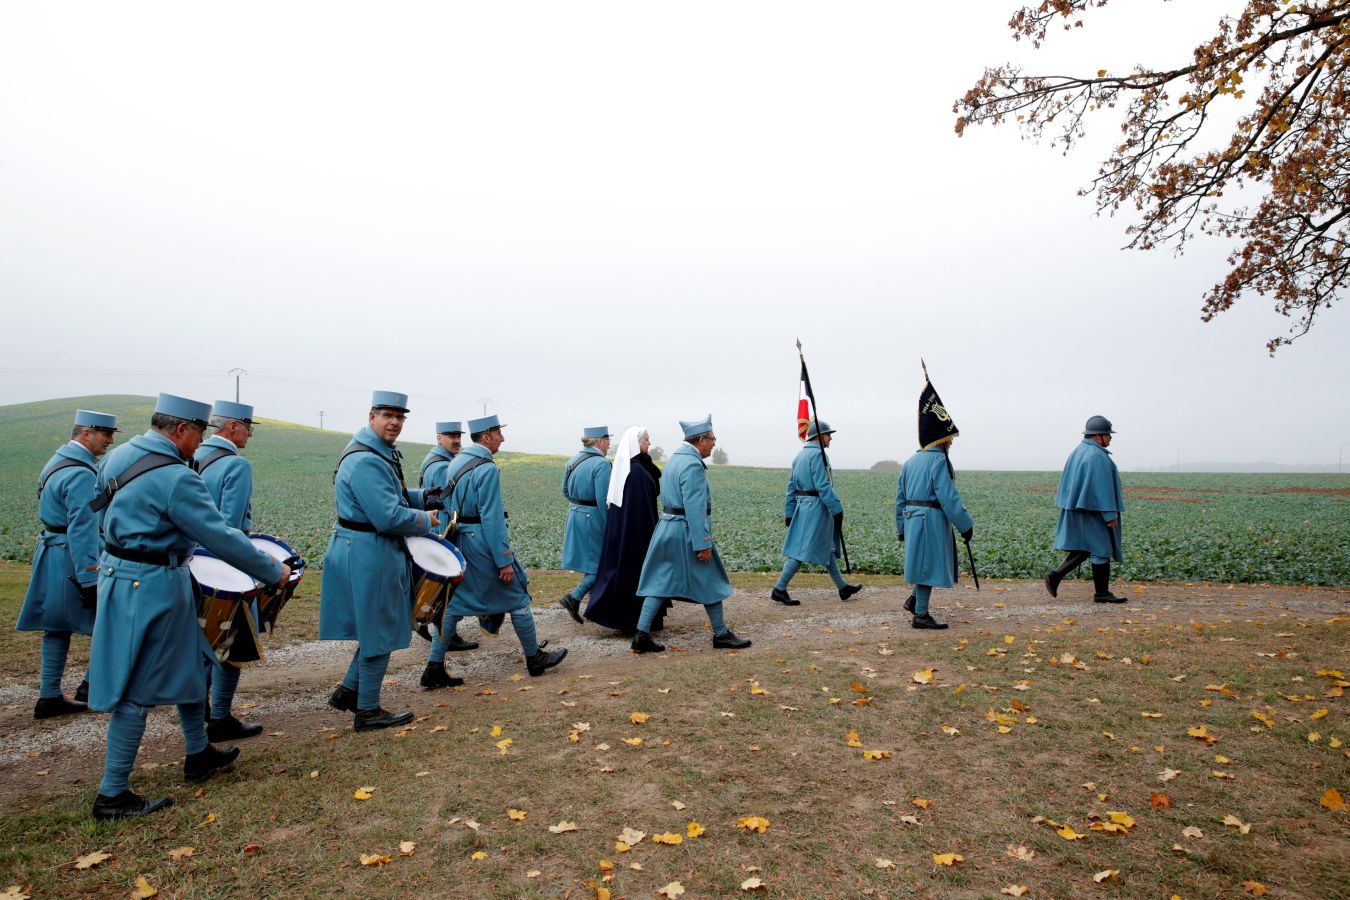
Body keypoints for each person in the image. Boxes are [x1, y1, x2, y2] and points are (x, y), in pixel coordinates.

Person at [87, 393, 289, 821]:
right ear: (181, 429)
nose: (202, 441)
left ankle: (198, 753)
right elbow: (220, 535)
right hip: (154, 585)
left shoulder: (120, 455)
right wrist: (272, 570)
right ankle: (112, 794)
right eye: (199, 432)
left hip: (124, 575)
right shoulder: (177, 477)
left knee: (194, 663)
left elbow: (98, 514)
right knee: (136, 688)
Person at [320, 391, 444, 730]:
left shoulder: (373, 451)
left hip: (365, 546)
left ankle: (349, 690)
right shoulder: (368, 460)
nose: (395, 422)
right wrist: (426, 519)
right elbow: (387, 516)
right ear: (372, 415)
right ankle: (368, 711)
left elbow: (386, 497)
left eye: (400, 417)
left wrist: (420, 497)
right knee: (380, 630)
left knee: (374, 624)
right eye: (388, 415)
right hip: (370, 551)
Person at [441, 414, 567, 676]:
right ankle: (534, 658)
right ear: (486, 437)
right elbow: (492, 518)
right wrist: (504, 560)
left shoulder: (457, 462)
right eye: (499, 433)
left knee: (455, 604)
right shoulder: (486, 468)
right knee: (517, 596)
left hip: (461, 540)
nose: (503, 438)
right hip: (482, 544)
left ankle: (433, 668)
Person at [18, 409, 118, 719]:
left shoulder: (57, 460)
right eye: (106, 434)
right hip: (73, 556)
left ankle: (49, 695)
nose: (110, 441)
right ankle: (91, 687)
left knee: (56, 627)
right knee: (109, 619)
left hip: (51, 551)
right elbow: (83, 527)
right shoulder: (81, 473)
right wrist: (89, 576)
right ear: (86, 433)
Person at [631, 416, 750, 653]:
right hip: (687, 531)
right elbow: (695, 508)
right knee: (711, 580)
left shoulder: (675, 459)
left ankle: (641, 635)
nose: (714, 444)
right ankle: (721, 634)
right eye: (712, 439)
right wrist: (702, 542)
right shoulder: (693, 464)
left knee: (660, 582)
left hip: (667, 528)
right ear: (701, 440)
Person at [194, 400, 264, 741]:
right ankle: (220, 716)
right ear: (232, 427)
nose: (249, 433)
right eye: (247, 427)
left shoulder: (193, 456)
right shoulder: (236, 466)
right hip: (223, 566)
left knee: (203, 640)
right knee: (233, 642)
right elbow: (232, 527)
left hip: (193, 562)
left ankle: (201, 710)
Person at [894, 378, 973, 629]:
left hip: (912, 518)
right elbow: (948, 496)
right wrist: (965, 524)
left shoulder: (910, 462)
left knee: (922, 563)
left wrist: (901, 526)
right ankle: (921, 614)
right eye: (948, 439)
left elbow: (900, 497)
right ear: (941, 439)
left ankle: (915, 601)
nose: (950, 442)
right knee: (927, 567)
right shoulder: (939, 461)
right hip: (930, 520)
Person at [584, 426, 668, 633]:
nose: (649, 443)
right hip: (637, 532)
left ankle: (638, 620)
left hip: (633, 530)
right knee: (636, 573)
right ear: (635, 443)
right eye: (646, 440)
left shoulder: (635, 467)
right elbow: (638, 508)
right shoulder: (636, 471)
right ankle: (633, 622)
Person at [772, 419, 862, 606]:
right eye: (829, 435)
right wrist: (837, 508)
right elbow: (823, 486)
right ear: (820, 437)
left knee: (826, 546)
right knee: (801, 551)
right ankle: (779, 589)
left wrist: (789, 511)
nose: (830, 439)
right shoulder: (819, 456)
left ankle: (843, 588)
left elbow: (791, 487)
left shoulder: (799, 457)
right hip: (816, 508)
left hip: (803, 506)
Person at [418, 419, 477, 691]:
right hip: (446, 527)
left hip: (440, 524)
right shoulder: (442, 465)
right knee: (451, 586)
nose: (456, 440)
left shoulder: (435, 459)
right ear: (438, 438)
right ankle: (435, 626)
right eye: (450, 436)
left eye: (458, 435)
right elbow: (450, 499)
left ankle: (440, 630)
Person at [1045, 416, 1126, 603]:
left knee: (1087, 547)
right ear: (1099, 436)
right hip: (1092, 510)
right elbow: (1101, 488)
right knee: (1101, 549)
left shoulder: (1079, 451)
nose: (1110, 438)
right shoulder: (1096, 456)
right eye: (1108, 435)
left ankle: (1056, 577)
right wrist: (1109, 514)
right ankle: (1101, 593)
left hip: (1079, 508)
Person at [558, 426, 612, 624]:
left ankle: (590, 602)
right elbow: (603, 500)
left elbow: (565, 491)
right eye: (607, 440)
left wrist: (578, 506)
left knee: (592, 563)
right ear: (599, 441)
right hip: (594, 517)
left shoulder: (573, 461)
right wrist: (610, 527)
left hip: (575, 514)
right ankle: (574, 597)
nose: (609, 444)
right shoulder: (601, 464)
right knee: (601, 564)